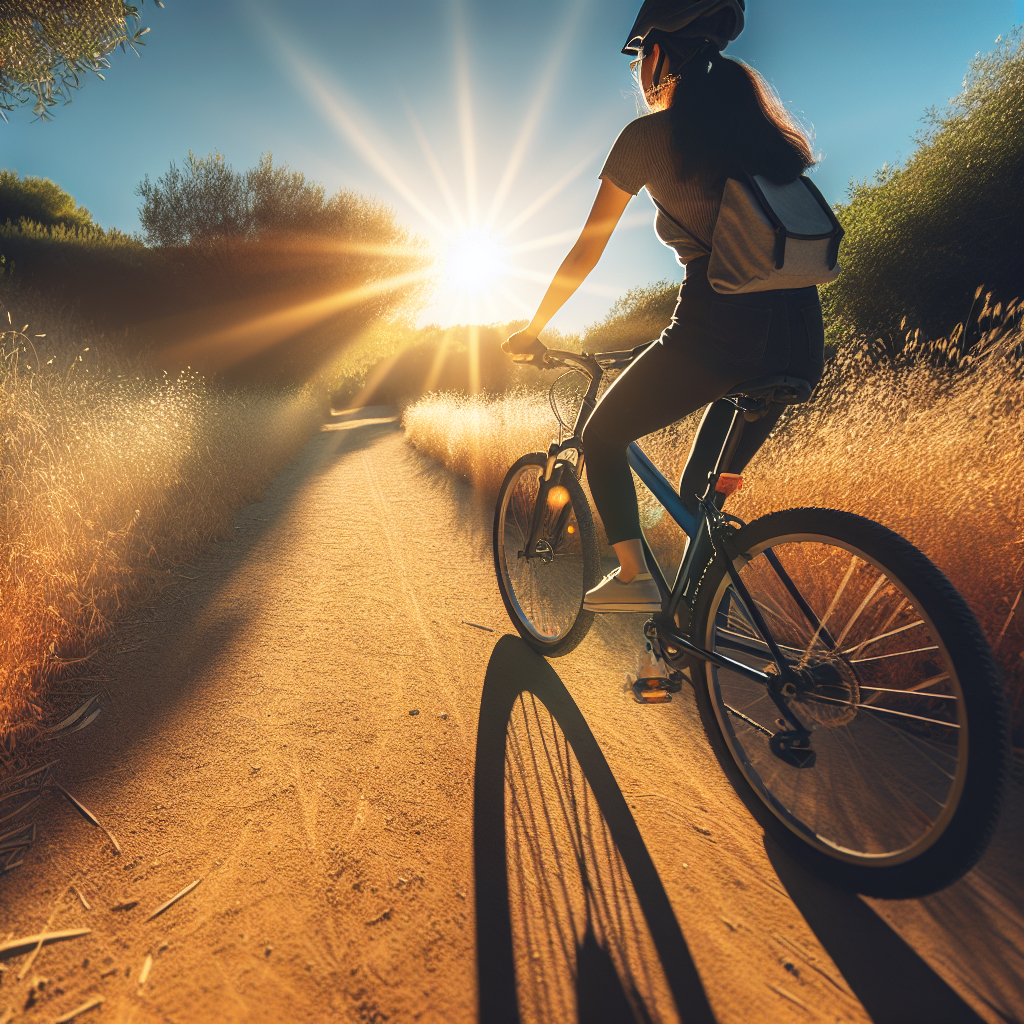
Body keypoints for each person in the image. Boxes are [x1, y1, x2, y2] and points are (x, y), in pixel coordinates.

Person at [502, 0, 826, 614]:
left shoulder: (648, 139)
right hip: (802, 335)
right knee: (698, 499)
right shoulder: (763, 136)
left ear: (657, 55)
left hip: (720, 331)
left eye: (640, 64)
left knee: (601, 438)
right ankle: (693, 634)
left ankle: (632, 579)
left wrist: (535, 325)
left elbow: (586, 252)